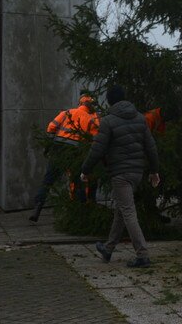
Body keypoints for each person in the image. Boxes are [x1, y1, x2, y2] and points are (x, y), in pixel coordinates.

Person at [80, 86, 160, 268]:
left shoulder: (108, 121)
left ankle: (142, 255)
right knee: (121, 210)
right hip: (137, 173)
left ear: (109, 101)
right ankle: (108, 248)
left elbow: (97, 149)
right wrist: (154, 171)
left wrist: (85, 170)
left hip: (120, 174)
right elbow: (151, 147)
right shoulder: (140, 118)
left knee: (128, 212)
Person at [30, 93, 99, 222]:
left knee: (48, 180)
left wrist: (50, 145)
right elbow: (94, 139)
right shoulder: (91, 119)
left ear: (80, 104)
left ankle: (37, 208)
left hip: (58, 149)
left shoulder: (67, 112)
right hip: (75, 153)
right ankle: (80, 213)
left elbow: (51, 127)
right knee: (77, 181)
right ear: (91, 107)